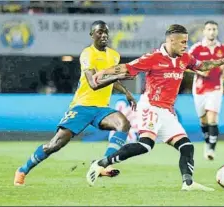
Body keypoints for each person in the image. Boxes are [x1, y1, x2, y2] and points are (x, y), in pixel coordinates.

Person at [85, 24, 224, 190]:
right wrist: (102, 74)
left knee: (187, 147)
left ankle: (188, 183)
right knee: (145, 145)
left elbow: (203, 65)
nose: (185, 45)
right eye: (182, 42)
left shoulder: (185, 58)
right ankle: (100, 163)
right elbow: (126, 68)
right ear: (171, 41)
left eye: (186, 42)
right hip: (150, 106)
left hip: (166, 111)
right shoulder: (153, 58)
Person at [14, 20, 137, 186]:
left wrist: (127, 92)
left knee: (123, 124)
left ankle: (103, 164)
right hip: (82, 106)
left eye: (106, 32)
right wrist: (118, 76)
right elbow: (94, 84)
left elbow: (110, 80)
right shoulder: (88, 54)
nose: (104, 35)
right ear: (92, 35)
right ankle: (23, 169)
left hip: (101, 108)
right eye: (99, 32)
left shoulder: (114, 55)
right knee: (54, 145)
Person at [188, 21, 224, 160]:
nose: (212, 32)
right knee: (203, 120)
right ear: (204, 31)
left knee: (212, 118)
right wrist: (199, 72)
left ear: (217, 31)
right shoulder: (196, 48)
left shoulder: (221, 47)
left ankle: (211, 149)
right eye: (209, 29)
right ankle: (207, 143)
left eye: (214, 29)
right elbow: (185, 65)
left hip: (216, 87)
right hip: (199, 88)